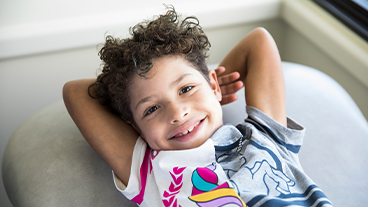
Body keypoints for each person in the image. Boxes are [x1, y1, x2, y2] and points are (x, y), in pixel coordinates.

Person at [63, 6, 332, 207]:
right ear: (135, 128)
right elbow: (74, 92)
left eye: (186, 89)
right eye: (152, 109)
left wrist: (213, 93)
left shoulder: (265, 137)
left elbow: (258, 40)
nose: (178, 113)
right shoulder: (150, 171)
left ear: (214, 84)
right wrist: (122, 83)